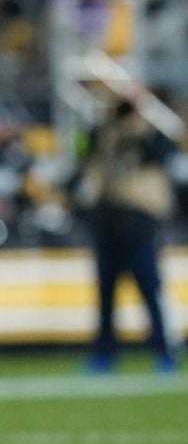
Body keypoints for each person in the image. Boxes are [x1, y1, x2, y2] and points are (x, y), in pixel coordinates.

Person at [79, 95, 181, 374]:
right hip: (109, 225)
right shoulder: (105, 139)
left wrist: (140, 126)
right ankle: (104, 353)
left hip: (139, 226)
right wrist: (112, 129)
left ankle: (164, 351)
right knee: (106, 295)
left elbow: (161, 151)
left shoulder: (150, 140)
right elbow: (85, 148)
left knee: (150, 291)